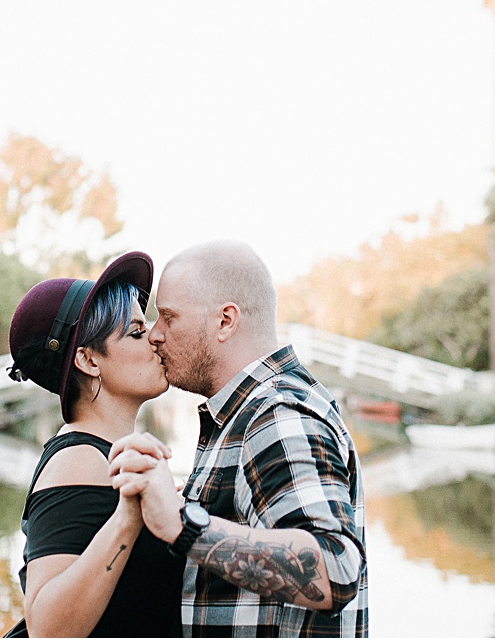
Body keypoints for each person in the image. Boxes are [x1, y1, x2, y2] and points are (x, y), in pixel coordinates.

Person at [109, 240, 368, 637]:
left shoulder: (276, 414)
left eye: (168, 317)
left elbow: (336, 569)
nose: (155, 334)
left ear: (225, 321)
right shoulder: (243, 414)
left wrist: (183, 524)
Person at [6, 251, 183, 637]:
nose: (155, 336)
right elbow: (47, 630)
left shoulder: (107, 452)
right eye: (136, 332)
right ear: (88, 360)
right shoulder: (80, 459)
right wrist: (128, 516)